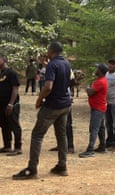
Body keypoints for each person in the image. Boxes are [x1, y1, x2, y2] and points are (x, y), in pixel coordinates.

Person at [13, 41, 72, 180]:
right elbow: (66, 80)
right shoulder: (66, 63)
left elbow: (48, 86)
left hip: (52, 105)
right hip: (65, 105)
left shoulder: (53, 64)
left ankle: (32, 169)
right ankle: (62, 166)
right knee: (61, 134)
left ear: (51, 51)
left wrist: (39, 99)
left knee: (37, 135)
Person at [79, 64, 109, 158]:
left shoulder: (100, 81)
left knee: (94, 128)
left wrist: (87, 88)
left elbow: (90, 92)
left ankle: (90, 149)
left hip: (98, 108)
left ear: (100, 71)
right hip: (100, 106)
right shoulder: (101, 80)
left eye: (97, 69)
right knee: (100, 128)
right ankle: (102, 146)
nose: (95, 70)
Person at [0, 53, 22, 156]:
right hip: (1, 104)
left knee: (14, 125)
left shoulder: (11, 73)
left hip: (11, 104)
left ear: (4, 60)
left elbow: (15, 88)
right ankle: (7, 146)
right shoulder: (1, 73)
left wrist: (11, 104)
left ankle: (18, 147)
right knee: (4, 125)